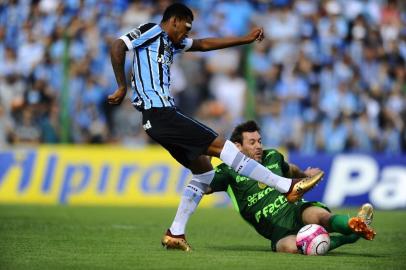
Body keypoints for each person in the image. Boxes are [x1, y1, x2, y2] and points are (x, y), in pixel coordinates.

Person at [108, 3, 323, 251]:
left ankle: (175, 233)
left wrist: (244, 39)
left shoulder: (172, 43)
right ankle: (285, 185)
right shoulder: (151, 30)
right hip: (161, 113)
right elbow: (118, 45)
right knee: (224, 147)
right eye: (185, 27)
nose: (186, 34)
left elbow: (203, 44)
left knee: (204, 173)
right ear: (174, 20)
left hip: (157, 119)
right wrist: (121, 86)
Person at [204, 120, 376, 253]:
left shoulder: (272, 156)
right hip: (276, 230)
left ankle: (356, 223)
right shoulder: (226, 171)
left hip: (294, 210)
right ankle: (351, 237)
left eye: (260, 141)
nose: (259, 146)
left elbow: (290, 169)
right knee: (293, 248)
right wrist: (209, 153)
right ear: (237, 147)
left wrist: (304, 174)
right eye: (252, 142)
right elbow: (205, 187)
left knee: (323, 218)